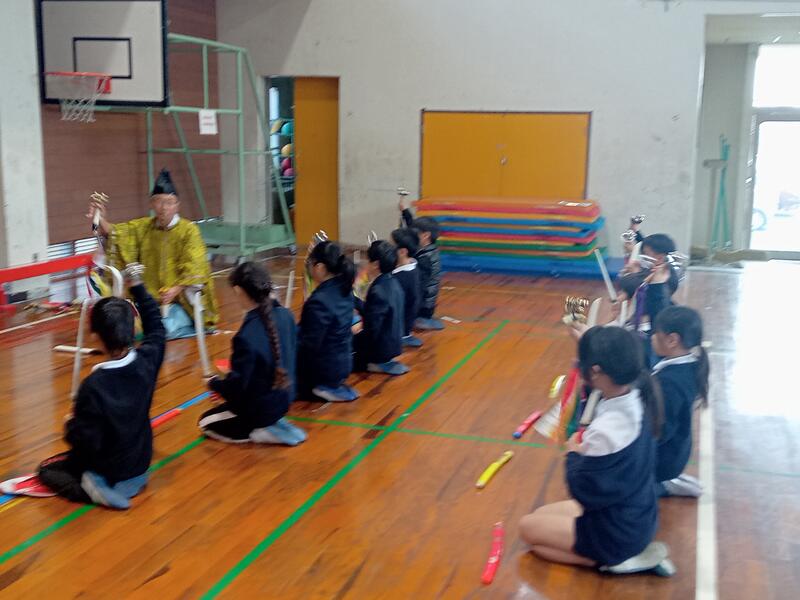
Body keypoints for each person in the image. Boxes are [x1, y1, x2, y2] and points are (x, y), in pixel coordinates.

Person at [0, 264, 166, 509]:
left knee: (47, 469)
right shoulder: (148, 359)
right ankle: (126, 482)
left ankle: (95, 489)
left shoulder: (94, 386)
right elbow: (157, 328)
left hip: (111, 469)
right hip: (140, 464)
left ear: (96, 337)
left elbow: (86, 443)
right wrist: (138, 286)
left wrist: (71, 424)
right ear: (131, 330)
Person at [519, 326, 674, 576]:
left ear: (596, 370)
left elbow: (584, 492)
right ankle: (617, 553)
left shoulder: (605, 431)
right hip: (637, 516)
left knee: (528, 530)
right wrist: (592, 347)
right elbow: (601, 379)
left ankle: (613, 561)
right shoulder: (639, 391)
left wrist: (573, 455)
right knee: (540, 515)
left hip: (616, 532)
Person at [88, 168, 219, 338]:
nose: (163, 208)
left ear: (177, 206)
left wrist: (176, 289)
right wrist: (100, 218)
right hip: (148, 301)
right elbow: (116, 234)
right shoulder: (143, 227)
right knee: (125, 323)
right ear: (151, 204)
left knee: (160, 328)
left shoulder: (188, 231)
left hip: (179, 301)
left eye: (169, 202)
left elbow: (196, 264)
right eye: (159, 202)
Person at [200, 262, 305, 445]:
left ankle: (257, 431)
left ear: (239, 291)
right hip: (285, 400)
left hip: (259, 410)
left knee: (205, 422)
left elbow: (238, 388)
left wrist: (214, 384)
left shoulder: (246, 336)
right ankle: (270, 422)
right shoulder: (286, 315)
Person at [651, 306, 709, 498]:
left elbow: (661, 432)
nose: (652, 337)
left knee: (617, 483)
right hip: (676, 451)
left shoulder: (670, 384)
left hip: (665, 459)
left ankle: (664, 484)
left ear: (672, 340)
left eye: (655, 333)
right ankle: (667, 478)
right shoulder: (689, 365)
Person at [297, 241, 360, 402]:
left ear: (320, 268)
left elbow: (309, 345)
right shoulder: (345, 289)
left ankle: (319, 387)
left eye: (310, 263)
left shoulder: (319, 301)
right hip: (344, 364)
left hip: (324, 371)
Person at [616, 233, 680, 365]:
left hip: (648, 329)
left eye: (645, 254)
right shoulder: (653, 271)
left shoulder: (663, 279)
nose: (642, 257)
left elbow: (637, 287)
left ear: (660, 257)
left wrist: (634, 274)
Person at [353, 240, 408, 375]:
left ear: (376, 264)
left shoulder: (378, 289)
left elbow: (372, 329)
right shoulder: (393, 282)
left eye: (368, 260)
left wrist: (356, 334)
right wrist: (355, 301)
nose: (366, 263)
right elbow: (375, 313)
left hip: (380, 350)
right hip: (394, 344)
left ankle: (373, 364)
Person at [399, 197, 443, 331]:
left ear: (425, 236)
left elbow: (418, 288)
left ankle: (419, 320)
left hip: (423, 308)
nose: (411, 236)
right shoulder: (428, 248)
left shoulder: (425, 259)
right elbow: (413, 228)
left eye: (415, 234)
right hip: (425, 303)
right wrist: (405, 212)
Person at [390, 227, 423, 348]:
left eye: (391, 245)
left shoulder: (400, 278)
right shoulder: (413, 266)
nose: (388, 248)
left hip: (399, 328)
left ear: (403, 252)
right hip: (405, 325)